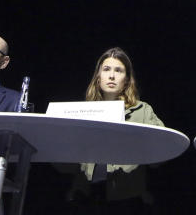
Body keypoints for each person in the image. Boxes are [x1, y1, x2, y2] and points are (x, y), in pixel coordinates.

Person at [68, 47, 164, 214]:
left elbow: (161, 153)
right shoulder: (82, 111)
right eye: (106, 69)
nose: (111, 76)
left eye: (118, 70)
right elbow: (64, 164)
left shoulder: (142, 110)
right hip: (86, 197)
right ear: (98, 77)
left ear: (127, 80)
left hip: (126, 198)